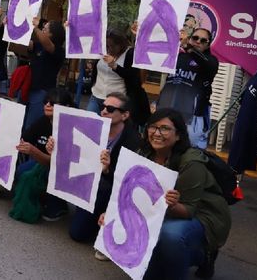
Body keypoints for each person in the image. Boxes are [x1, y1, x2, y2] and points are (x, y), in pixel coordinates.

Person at [99, 108, 231, 279]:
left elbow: (188, 210)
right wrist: (111, 214)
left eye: (165, 128)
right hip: (164, 209)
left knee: (170, 234)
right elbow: (127, 193)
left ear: (178, 135)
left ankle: (202, 256)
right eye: (152, 127)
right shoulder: (143, 153)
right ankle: (175, 257)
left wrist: (173, 205)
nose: (157, 133)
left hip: (202, 213)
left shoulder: (191, 162)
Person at [63, 92, 141, 258]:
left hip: (109, 189)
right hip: (88, 180)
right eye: (102, 107)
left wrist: (108, 170)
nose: (104, 111)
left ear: (125, 115)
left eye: (110, 108)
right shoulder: (93, 127)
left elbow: (129, 184)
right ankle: (59, 207)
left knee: (77, 234)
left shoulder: (133, 142)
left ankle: (110, 229)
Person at [10, 88, 73, 223]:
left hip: (63, 169)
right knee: (22, 170)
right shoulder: (43, 120)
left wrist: (33, 151)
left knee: (34, 173)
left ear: (66, 106)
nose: (47, 105)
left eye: (53, 103)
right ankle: (40, 198)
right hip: (41, 162)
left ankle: (58, 204)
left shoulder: (69, 127)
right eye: (46, 102)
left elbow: (57, 163)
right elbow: (24, 138)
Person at [157, 27, 219, 148]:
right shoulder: (177, 57)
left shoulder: (211, 61)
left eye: (203, 40)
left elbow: (206, 63)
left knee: (186, 153)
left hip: (191, 118)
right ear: (190, 39)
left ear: (208, 45)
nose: (198, 42)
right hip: (167, 113)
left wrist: (188, 47)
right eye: (195, 38)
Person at [86, 28, 150, 127]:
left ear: (120, 45)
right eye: (106, 46)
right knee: (89, 124)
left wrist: (115, 66)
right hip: (96, 95)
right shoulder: (102, 52)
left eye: (111, 46)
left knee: (110, 128)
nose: (108, 49)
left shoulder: (129, 54)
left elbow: (133, 78)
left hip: (116, 100)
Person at [23, 18, 66, 131]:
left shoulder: (58, 50)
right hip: (27, 89)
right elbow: (25, 44)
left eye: (45, 29)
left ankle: (26, 146)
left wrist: (36, 28)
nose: (43, 30)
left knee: (30, 125)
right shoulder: (38, 45)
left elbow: (48, 45)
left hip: (42, 92)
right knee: (20, 121)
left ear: (53, 34)